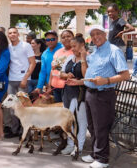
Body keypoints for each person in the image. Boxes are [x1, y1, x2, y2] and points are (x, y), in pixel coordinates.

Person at [67, 25, 130, 168]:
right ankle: (96, 154)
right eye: (93, 35)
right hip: (90, 93)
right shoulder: (95, 52)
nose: (96, 37)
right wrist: (79, 81)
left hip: (104, 94)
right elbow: (88, 75)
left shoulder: (114, 51)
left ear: (105, 34)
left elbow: (125, 75)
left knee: (101, 127)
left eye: (98, 34)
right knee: (92, 127)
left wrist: (107, 80)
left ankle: (102, 159)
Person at [59, 34, 88, 156]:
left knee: (81, 121)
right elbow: (61, 73)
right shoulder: (70, 58)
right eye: (72, 47)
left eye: (75, 46)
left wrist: (83, 58)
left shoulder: (88, 58)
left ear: (82, 45)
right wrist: (67, 75)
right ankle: (70, 144)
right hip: (68, 92)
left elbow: (86, 75)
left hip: (81, 94)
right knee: (68, 120)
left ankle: (79, 146)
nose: (73, 49)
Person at [4, 27, 35, 138]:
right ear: (8, 35)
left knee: (24, 107)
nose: (12, 34)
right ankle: (14, 130)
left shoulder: (26, 46)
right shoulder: (8, 47)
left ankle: (25, 131)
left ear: (18, 34)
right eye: (10, 33)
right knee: (12, 107)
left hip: (23, 80)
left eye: (14, 32)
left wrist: (25, 78)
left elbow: (32, 63)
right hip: (11, 80)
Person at [49, 30, 74, 102]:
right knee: (58, 111)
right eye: (63, 37)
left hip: (68, 87)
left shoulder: (77, 51)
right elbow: (52, 69)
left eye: (68, 36)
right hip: (55, 87)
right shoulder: (57, 52)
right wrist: (49, 85)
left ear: (73, 37)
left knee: (67, 111)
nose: (66, 38)